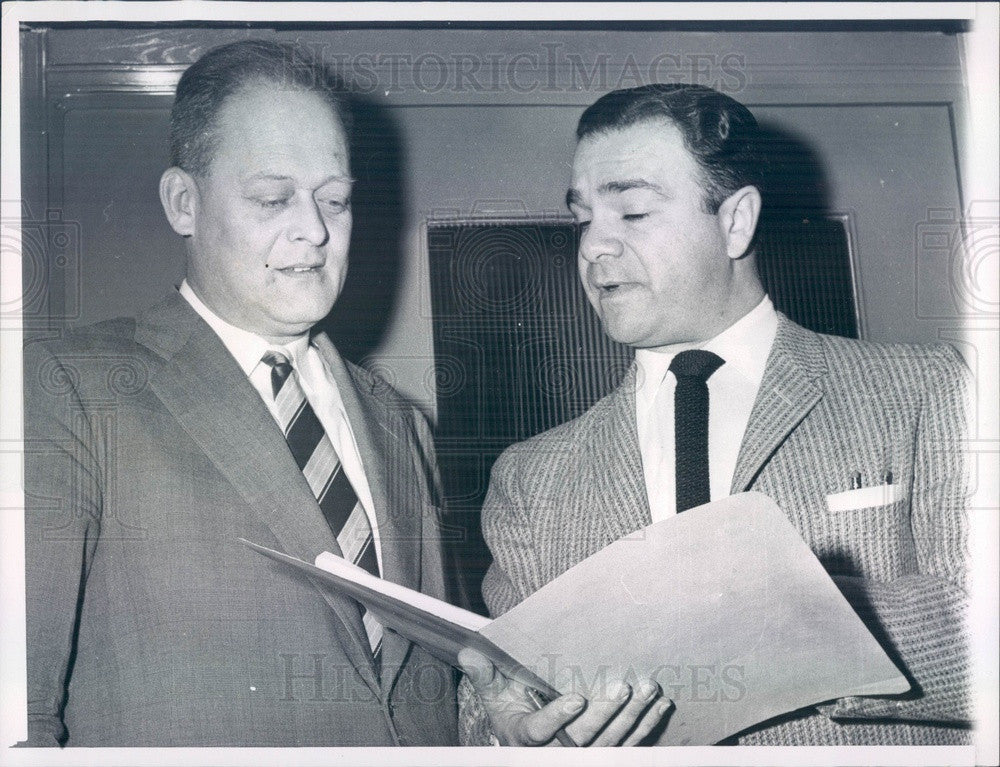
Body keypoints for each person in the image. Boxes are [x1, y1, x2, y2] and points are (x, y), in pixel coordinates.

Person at [23, 39, 667, 748]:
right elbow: (20, 709)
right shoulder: (70, 387)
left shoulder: (399, 422)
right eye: (273, 197)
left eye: (335, 199)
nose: (316, 229)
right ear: (184, 201)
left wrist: (499, 724)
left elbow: (432, 682)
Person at [464, 83, 971, 746]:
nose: (591, 246)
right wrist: (505, 731)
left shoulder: (927, 391)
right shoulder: (530, 477)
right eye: (582, 218)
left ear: (735, 222)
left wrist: (806, 620)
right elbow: (490, 695)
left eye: (633, 212)